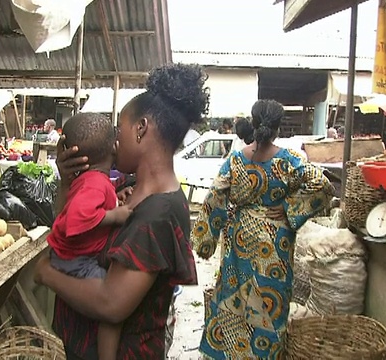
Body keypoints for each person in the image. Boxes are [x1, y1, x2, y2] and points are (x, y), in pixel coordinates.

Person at [35, 63, 207, 359]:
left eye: (120, 130)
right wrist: (69, 183)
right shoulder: (127, 188)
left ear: (141, 129)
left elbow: (110, 304)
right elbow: (72, 231)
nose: (114, 140)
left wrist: (45, 273)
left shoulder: (158, 216)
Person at [191, 99, 335, 359]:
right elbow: (323, 186)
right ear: (278, 128)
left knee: (234, 299)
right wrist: (291, 208)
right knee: (270, 304)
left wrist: (204, 241)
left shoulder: (236, 160)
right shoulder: (289, 161)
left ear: (253, 123)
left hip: (240, 236)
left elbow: (215, 198)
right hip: (275, 242)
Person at [47, 112, 132, 360]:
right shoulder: (94, 182)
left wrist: (116, 198)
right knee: (112, 307)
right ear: (114, 147)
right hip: (77, 263)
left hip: (73, 261)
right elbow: (75, 217)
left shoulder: (95, 181)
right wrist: (115, 215)